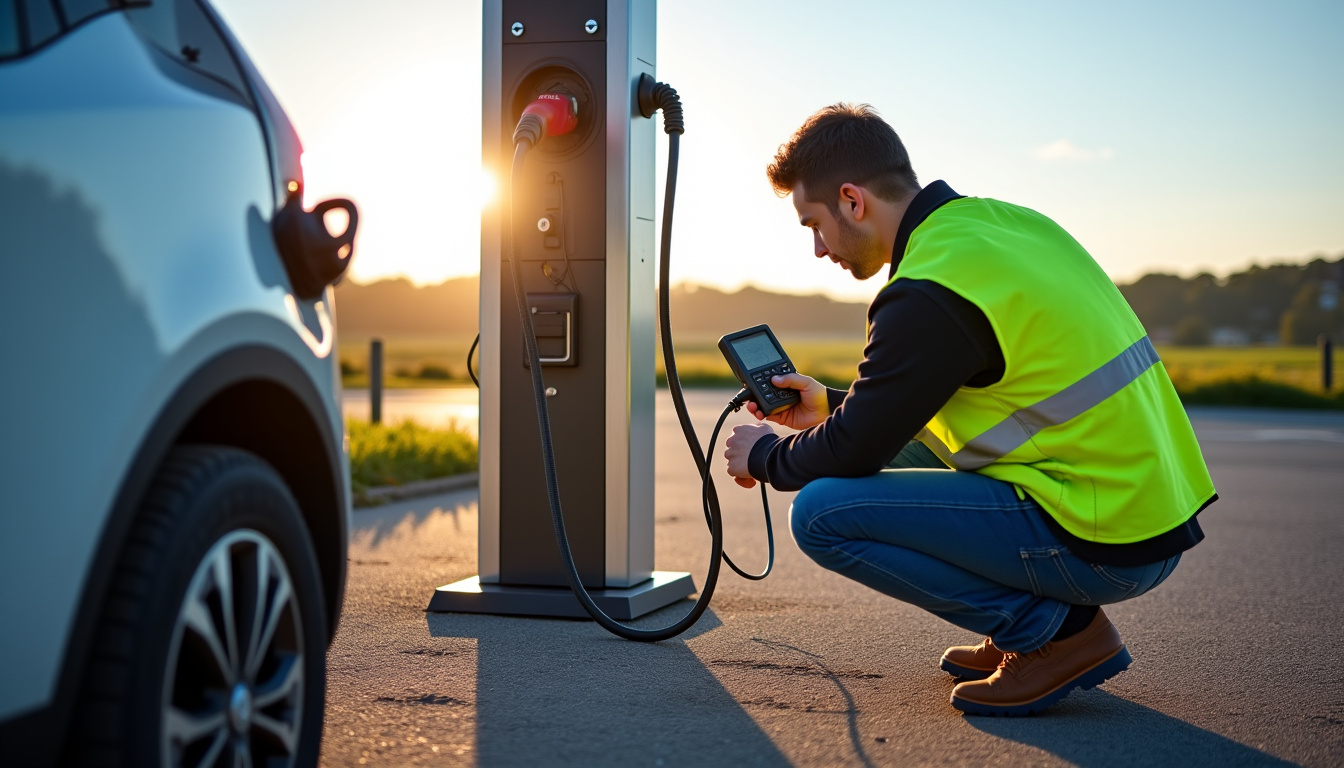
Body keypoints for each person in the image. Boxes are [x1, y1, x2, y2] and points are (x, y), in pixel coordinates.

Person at [722, 103, 1216, 716]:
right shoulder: (1007, 227)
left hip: (1103, 542)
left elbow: (858, 449)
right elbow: (925, 410)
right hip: (1143, 512)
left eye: (812, 225)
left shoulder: (928, 289)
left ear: (852, 200)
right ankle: (1038, 623)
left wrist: (766, 456)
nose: (819, 250)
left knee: (821, 513)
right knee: (878, 458)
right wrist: (831, 408)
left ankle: (1054, 634)